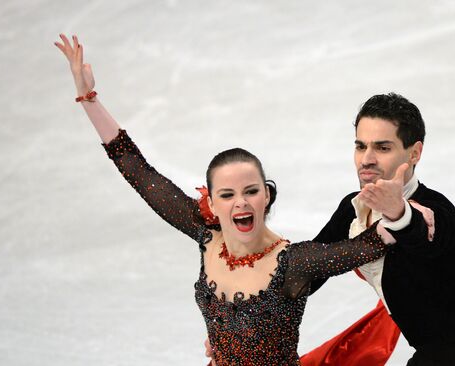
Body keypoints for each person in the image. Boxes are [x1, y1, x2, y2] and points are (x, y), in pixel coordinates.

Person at [54, 34, 425, 365]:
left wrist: (404, 205)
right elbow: (137, 170)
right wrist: (89, 98)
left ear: (267, 195)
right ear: (212, 204)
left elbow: (378, 239)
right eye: (227, 195)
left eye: (250, 191)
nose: (241, 203)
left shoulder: (294, 263)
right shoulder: (206, 237)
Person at [311, 93, 455, 365]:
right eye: (360, 146)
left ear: (414, 153)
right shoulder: (354, 209)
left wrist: (397, 213)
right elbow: (310, 269)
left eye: (382, 148)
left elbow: (424, 236)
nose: (366, 159)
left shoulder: (437, 209)